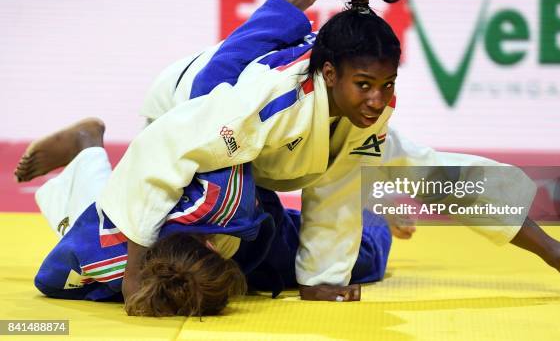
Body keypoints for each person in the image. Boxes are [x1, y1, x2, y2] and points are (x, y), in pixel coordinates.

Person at [17, 0, 560, 303]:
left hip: (263, 141)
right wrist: (139, 274)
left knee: (408, 184)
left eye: (387, 85)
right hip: (188, 108)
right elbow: (158, 153)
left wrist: (319, 283)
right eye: (365, 85)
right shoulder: (262, 106)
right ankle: (91, 149)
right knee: (163, 236)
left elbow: (430, 183)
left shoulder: (369, 116)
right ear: (329, 75)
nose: (378, 100)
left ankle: (387, 218)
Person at [26, 118, 392, 314]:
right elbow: (49, 281)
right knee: (91, 218)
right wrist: (137, 291)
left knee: (360, 259)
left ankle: (375, 214)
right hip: (136, 212)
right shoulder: (109, 258)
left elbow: (226, 137)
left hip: (223, 173)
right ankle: (87, 148)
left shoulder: (223, 198)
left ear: (215, 250)